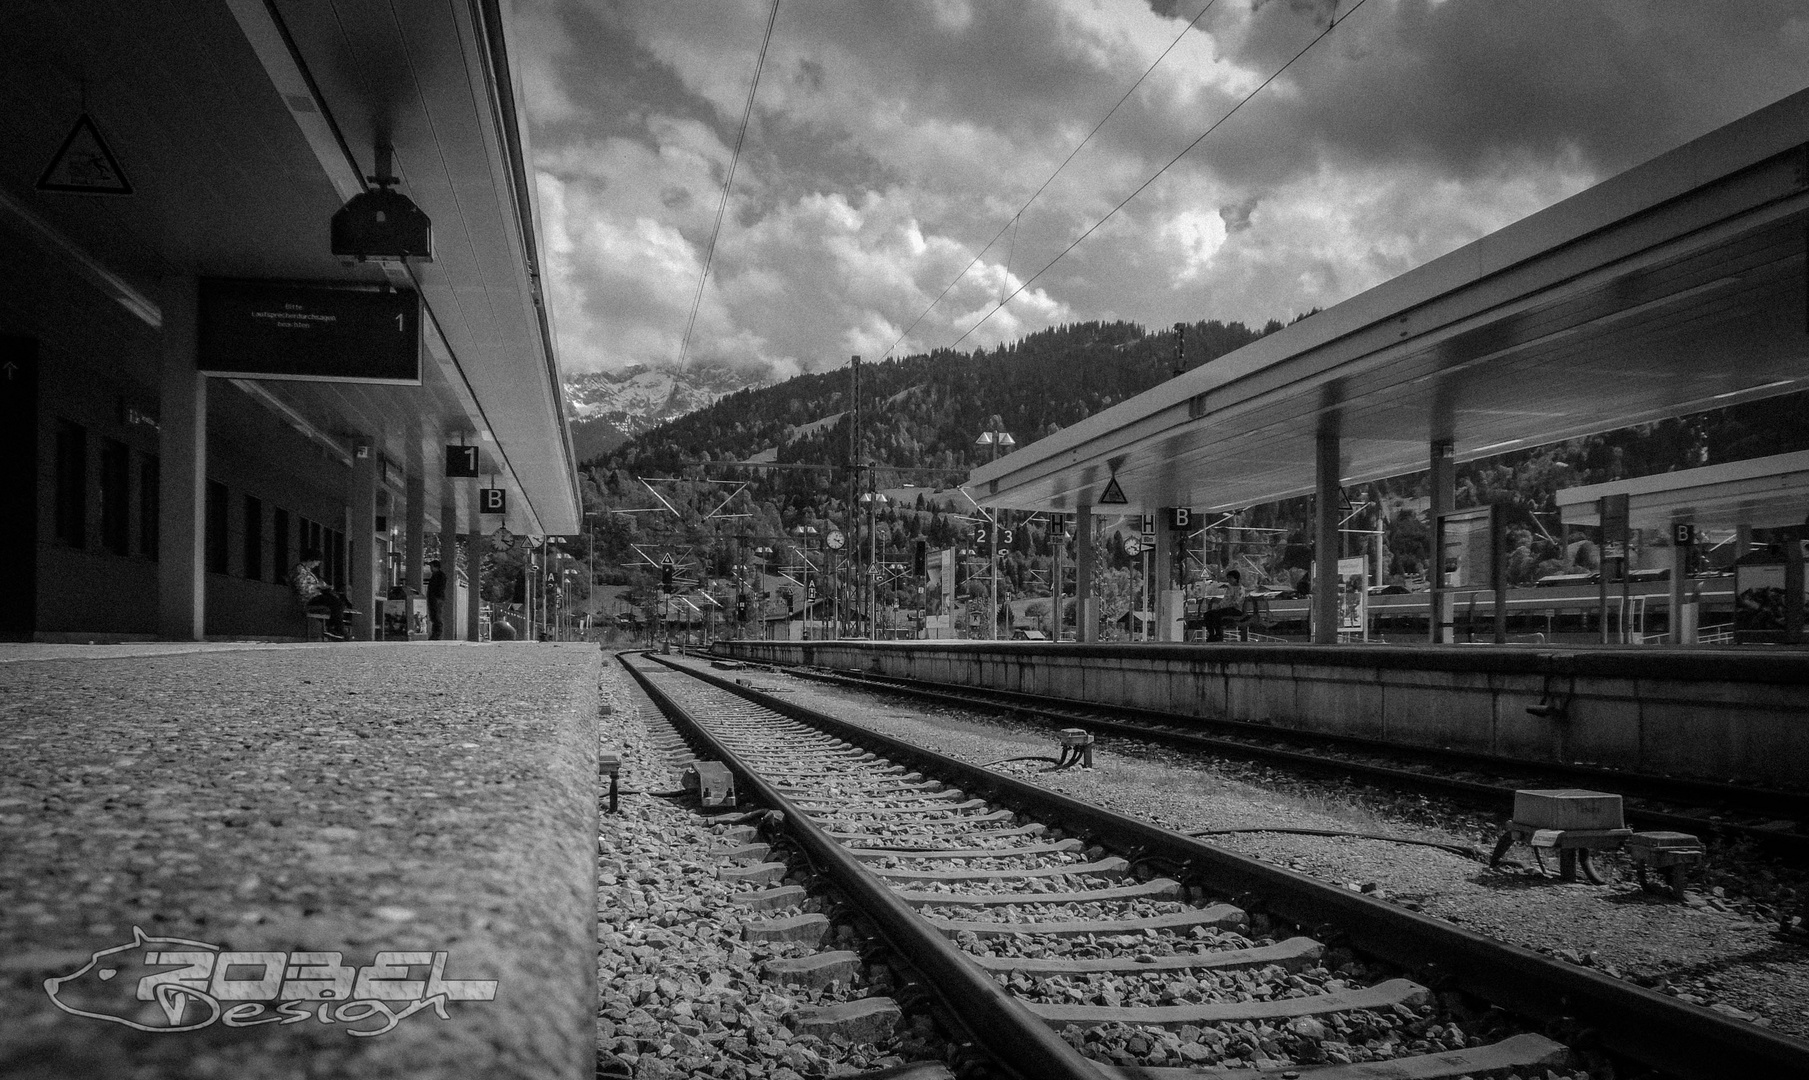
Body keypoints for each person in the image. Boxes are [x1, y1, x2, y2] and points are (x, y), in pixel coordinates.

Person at [291, 549, 356, 640]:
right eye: (316, 562)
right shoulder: (300, 570)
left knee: (338, 601)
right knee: (334, 602)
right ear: (310, 560)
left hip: (314, 596)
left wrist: (325, 587)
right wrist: (319, 586)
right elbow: (303, 587)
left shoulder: (308, 571)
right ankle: (336, 628)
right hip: (309, 598)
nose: (317, 565)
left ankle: (336, 628)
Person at [1201, 570, 1248, 642]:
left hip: (1235, 610)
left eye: (1230, 578)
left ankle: (1218, 634)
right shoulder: (1229, 588)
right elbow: (1225, 599)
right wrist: (1220, 606)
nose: (1229, 580)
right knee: (1208, 614)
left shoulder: (1240, 589)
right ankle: (1211, 634)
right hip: (1225, 608)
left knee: (1217, 615)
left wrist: (1225, 606)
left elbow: (1237, 602)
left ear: (1235, 578)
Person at [426, 558, 447, 640]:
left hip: (437, 598)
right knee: (434, 616)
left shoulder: (440, 576)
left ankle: (437, 634)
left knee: (437, 616)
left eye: (431, 566)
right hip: (434, 598)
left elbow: (439, 588)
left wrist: (436, 596)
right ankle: (435, 634)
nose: (430, 568)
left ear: (435, 567)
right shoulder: (436, 575)